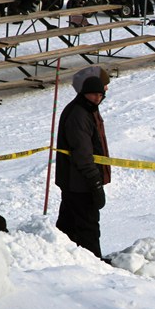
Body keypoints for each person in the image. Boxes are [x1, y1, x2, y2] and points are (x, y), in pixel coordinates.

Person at [55, 75, 111, 259]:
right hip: (79, 182)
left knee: (68, 225)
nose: (97, 98)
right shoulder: (79, 114)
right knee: (88, 226)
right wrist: (95, 182)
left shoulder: (87, 109)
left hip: (74, 180)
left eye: (100, 95)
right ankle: (94, 262)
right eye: (93, 94)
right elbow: (83, 154)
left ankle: (62, 257)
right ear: (84, 93)